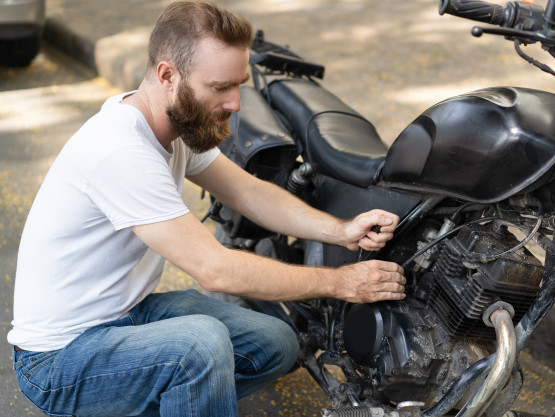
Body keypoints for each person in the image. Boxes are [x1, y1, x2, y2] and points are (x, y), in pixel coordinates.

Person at [8, 1, 406, 415]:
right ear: (167, 75)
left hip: (126, 315)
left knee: (276, 343)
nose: (235, 103)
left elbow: (249, 193)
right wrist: (342, 283)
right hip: (58, 360)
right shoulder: (120, 151)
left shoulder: (174, 125)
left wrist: (339, 231)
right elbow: (215, 270)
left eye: (239, 84)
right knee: (199, 347)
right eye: (220, 87)